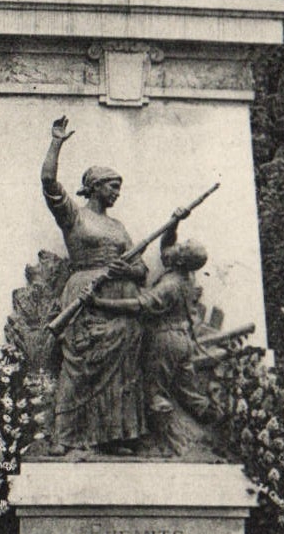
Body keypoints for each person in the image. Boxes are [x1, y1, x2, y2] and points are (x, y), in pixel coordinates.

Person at [40, 116, 149, 451]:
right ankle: (64, 436)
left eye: (119, 187)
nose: (117, 193)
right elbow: (48, 182)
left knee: (120, 371)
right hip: (84, 295)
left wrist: (126, 270)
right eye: (112, 186)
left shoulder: (118, 227)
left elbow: (141, 268)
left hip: (118, 302)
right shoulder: (75, 216)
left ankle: (111, 435)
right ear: (96, 185)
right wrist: (57, 141)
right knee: (79, 363)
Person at [89, 230, 208, 449]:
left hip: (165, 340)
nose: (176, 246)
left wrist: (99, 302)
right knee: (188, 393)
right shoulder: (185, 275)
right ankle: (218, 421)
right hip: (183, 339)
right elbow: (167, 248)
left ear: (180, 260)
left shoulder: (170, 284)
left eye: (181, 247)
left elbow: (139, 305)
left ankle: (172, 445)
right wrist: (175, 223)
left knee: (154, 393)